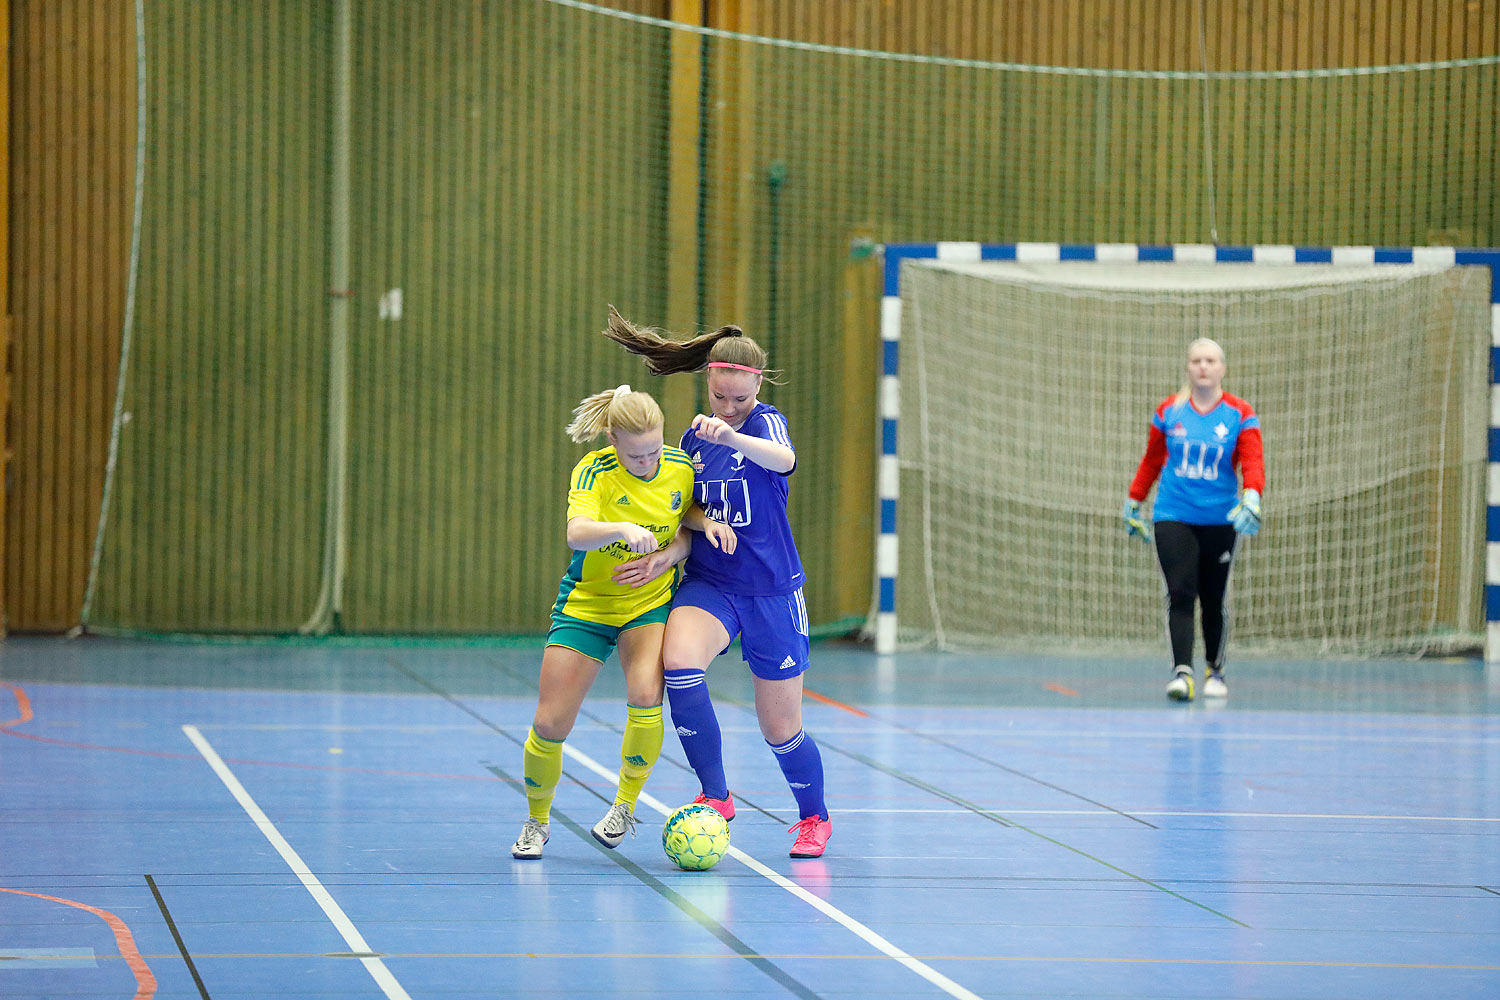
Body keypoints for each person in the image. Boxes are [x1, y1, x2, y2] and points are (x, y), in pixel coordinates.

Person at [602, 307, 832, 858]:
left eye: (740, 400)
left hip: (772, 593)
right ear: (707, 382)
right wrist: (686, 539)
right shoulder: (690, 443)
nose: (728, 408)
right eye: (719, 398)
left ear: (756, 388)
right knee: (678, 663)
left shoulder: (763, 426)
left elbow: (784, 459)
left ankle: (814, 816)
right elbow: (686, 513)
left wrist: (733, 435)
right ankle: (716, 795)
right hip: (711, 584)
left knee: (780, 728)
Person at [511, 384, 735, 860]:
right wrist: (620, 529)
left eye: (654, 449)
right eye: (636, 455)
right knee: (550, 723)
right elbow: (576, 533)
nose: (647, 461)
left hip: (646, 604)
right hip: (588, 605)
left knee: (646, 694)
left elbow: (686, 512)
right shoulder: (594, 474)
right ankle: (537, 821)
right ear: (612, 440)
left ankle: (624, 807)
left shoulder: (677, 467)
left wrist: (688, 538)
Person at [1122, 337, 1264, 702]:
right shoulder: (1169, 411)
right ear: (1187, 367)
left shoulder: (1239, 413)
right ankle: (1181, 673)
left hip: (1220, 518)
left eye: (1211, 360)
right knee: (1180, 593)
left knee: (1213, 597)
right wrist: (1134, 501)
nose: (1203, 366)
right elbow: (1152, 460)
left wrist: (1252, 495)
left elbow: (1252, 459)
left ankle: (1215, 670)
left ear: (1222, 368)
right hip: (1174, 513)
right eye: (1197, 360)